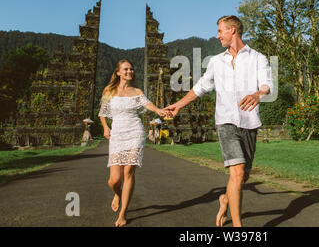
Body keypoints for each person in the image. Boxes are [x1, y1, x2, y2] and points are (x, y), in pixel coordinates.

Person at [164, 15, 273, 227]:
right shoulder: (216, 61)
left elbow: (267, 84)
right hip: (226, 122)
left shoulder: (258, 58)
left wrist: (258, 94)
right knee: (238, 171)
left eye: (220, 31)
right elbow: (200, 87)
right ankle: (238, 227)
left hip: (249, 123)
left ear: (232, 30)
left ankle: (225, 199)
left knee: (243, 177)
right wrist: (178, 105)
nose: (217, 35)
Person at [99, 59, 168, 227]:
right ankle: (118, 193)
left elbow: (148, 104)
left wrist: (158, 110)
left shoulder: (137, 91)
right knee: (114, 180)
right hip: (117, 134)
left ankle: (123, 213)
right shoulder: (109, 91)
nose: (129, 71)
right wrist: (105, 128)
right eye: (126, 69)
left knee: (129, 171)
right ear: (118, 72)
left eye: (131, 69)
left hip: (135, 132)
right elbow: (102, 112)